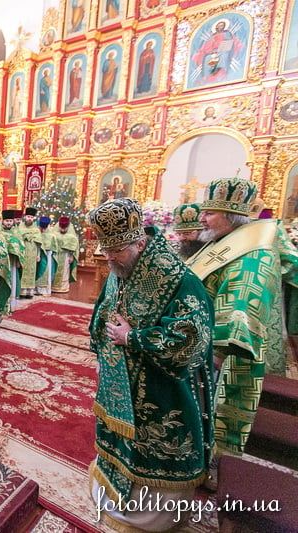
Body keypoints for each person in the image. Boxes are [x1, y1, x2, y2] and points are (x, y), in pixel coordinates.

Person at [88, 198, 215, 531]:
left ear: (140, 241)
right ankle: (116, 490)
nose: (109, 257)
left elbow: (191, 343)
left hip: (163, 390)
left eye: (116, 250)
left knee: (153, 447)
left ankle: (151, 518)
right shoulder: (123, 268)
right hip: (118, 383)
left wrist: (133, 338)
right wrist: (103, 345)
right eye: (107, 249)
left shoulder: (180, 281)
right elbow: (104, 309)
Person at [187, 178, 298, 462]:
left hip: (225, 350)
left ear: (231, 216)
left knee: (215, 410)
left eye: (209, 213)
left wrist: (218, 351)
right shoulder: (227, 239)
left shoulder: (253, 253)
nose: (202, 219)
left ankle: (213, 461)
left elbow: (242, 306)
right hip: (201, 343)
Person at [192, 20, 244, 85]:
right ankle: (207, 76)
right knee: (207, 57)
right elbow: (208, 46)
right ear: (216, 27)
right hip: (214, 51)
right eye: (219, 26)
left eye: (222, 26)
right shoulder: (213, 36)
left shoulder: (227, 33)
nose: (220, 27)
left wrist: (223, 48)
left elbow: (230, 41)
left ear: (224, 27)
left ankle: (222, 73)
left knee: (223, 55)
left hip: (224, 50)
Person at [0, 209, 25, 310]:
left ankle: (11, 303)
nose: (8, 223)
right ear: (3, 221)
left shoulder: (17, 232)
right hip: (1, 262)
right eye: (6, 221)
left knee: (12, 280)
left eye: (10, 221)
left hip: (12, 262)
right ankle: (1, 302)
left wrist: (18, 261)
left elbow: (21, 247)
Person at [51, 216, 79, 293]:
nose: (63, 230)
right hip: (55, 255)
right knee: (54, 269)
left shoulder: (72, 235)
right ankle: (52, 287)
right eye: (61, 228)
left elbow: (74, 247)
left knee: (64, 272)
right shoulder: (54, 232)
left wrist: (72, 256)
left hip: (66, 255)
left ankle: (63, 288)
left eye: (64, 228)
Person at [18, 207, 41, 297]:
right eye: (28, 216)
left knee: (31, 272)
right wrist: (25, 236)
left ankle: (29, 292)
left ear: (33, 218)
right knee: (22, 271)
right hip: (23, 253)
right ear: (25, 217)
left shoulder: (36, 230)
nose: (29, 219)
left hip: (32, 254)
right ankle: (21, 291)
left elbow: (39, 243)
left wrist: (38, 255)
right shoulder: (20, 227)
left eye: (31, 217)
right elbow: (17, 238)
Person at [35, 216, 56, 295]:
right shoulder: (36, 232)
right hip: (36, 254)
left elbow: (53, 247)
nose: (42, 230)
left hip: (47, 255)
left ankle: (44, 290)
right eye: (41, 228)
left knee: (45, 271)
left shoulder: (51, 235)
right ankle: (35, 289)